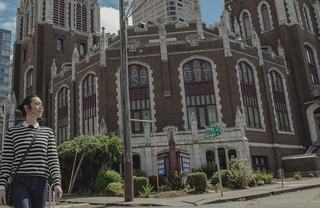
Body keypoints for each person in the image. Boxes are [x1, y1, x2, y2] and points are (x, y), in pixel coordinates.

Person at [0, 95, 63, 207]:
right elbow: (6, 161)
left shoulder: (48, 132)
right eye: (37, 104)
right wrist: (2, 186)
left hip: (41, 183)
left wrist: (57, 183)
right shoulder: (12, 132)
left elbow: (53, 159)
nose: (41, 108)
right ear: (26, 107)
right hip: (20, 183)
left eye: (42, 105)